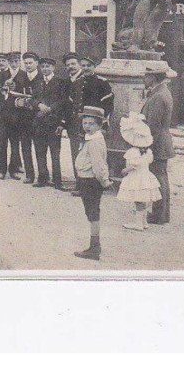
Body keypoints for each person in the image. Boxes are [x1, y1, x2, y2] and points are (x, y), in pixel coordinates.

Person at [73, 106, 112, 261]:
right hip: (86, 179)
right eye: (85, 123)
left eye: (91, 124)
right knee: (91, 213)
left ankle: (95, 248)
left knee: (93, 213)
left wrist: (105, 182)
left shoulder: (95, 141)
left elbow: (99, 165)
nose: (87, 126)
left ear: (99, 125)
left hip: (91, 181)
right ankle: (94, 246)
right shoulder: (92, 138)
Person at [141, 65, 176, 224]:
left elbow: (153, 125)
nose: (144, 77)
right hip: (161, 141)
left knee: (158, 178)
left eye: (146, 75)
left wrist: (145, 145)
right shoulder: (162, 92)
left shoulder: (158, 96)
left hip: (157, 142)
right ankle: (162, 214)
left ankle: (159, 215)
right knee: (161, 176)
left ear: (153, 77)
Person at [116, 112, 161, 231]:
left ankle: (138, 224)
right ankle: (144, 221)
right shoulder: (148, 152)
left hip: (137, 178)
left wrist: (124, 171)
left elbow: (133, 166)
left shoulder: (132, 152)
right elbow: (147, 162)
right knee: (144, 200)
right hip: (146, 177)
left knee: (138, 201)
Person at [32, 57, 67, 189]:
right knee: (40, 151)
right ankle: (42, 178)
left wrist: (50, 108)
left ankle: (58, 181)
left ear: (53, 68)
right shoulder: (37, 82)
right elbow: (32, 99)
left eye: (48, 66)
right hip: (39, 122)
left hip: (53, 122)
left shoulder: (60, 82)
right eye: (43, 67)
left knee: (55, 152)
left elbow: (63, 101)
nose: (45, 69)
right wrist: (39, 104)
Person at [5, 52, 40, 184]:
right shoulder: (21, 76)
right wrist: (17, 102)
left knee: (39, 149)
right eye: (26, 63)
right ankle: (30, 175)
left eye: (30, 63)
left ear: (36, 63)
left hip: (38, 117)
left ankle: (43, 175)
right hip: (24, 118)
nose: (28, 65)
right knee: (25, 147)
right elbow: (15, 96)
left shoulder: (42, 77)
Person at [61, 52, 86, 188]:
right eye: (68, 65)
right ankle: (79, 182)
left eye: (73, 64)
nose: (71, 67)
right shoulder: (66, 82)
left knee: (85, 154)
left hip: (85, 123)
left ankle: (86, 184)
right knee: (75, 152)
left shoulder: (86, 79)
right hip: (71, 123)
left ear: (79, 64)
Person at [80, 55, 114, 122]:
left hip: (94, 122)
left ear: (94, 66)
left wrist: (103, 123)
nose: (86, 68)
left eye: (89, 65)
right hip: (78, 122)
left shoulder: (102, 82)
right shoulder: (77, 82)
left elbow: (108, 106)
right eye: (83, 66)